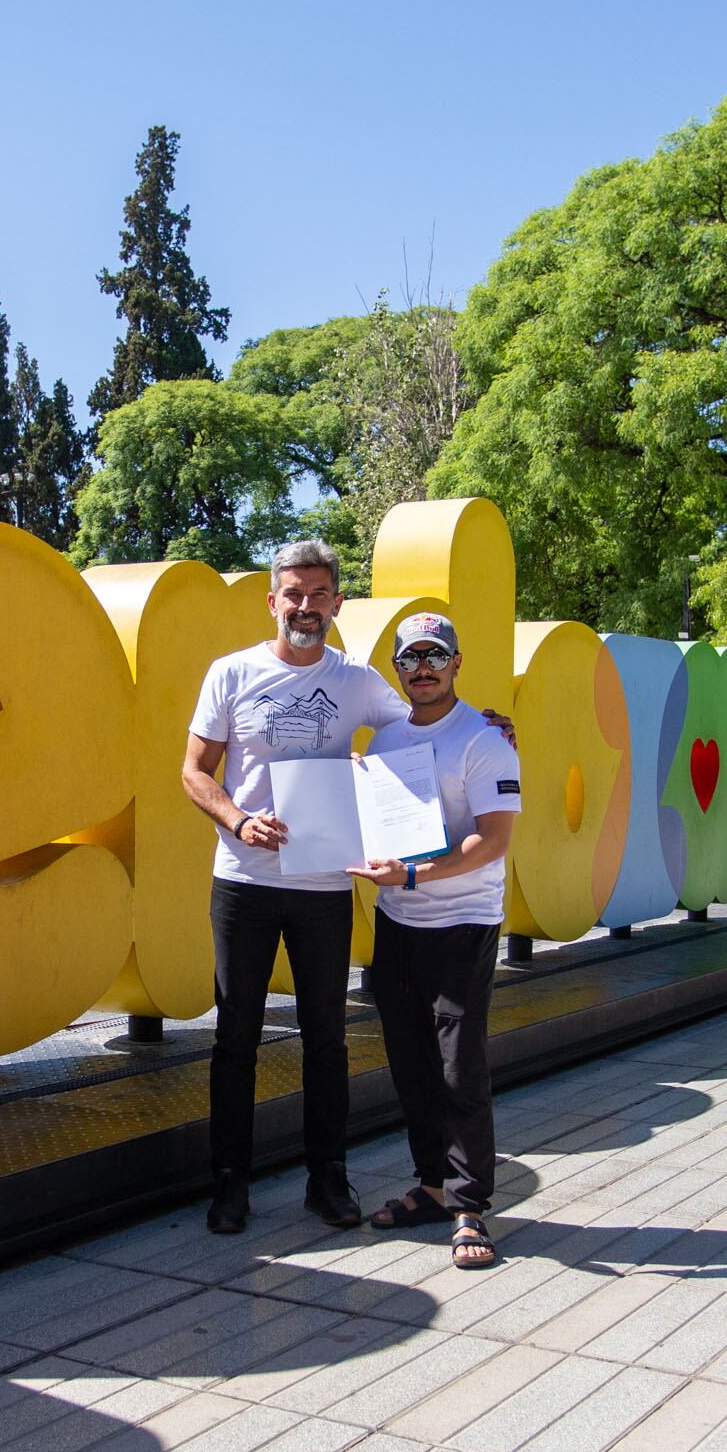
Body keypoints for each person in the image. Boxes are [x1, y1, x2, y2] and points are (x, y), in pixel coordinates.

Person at [181, 543, 510, 1235]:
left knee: (326, 1036)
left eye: (319, 594)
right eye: (293, 594)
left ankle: (328, 1181)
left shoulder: (361, 683)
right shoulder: (230, 674)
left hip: (326, 885)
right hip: (242, 882)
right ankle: (229, 1184)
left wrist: (490, 722)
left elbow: (431, 713)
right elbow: (193, 773)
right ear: (273, 601)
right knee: (235, 1037)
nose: (306, 607)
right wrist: (237, 819)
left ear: (336, 603)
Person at [349, 613, 520, 1271]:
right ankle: (429, 1185)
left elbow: (495, 839)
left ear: (456, 663)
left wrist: (416, 872)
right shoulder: (387, 737)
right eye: (410, 658)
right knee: (411, 1065)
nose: (422, 667)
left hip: (463, 924)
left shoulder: (485, 740)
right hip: (398, 925)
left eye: (435, 655)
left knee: (459, 1070)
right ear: (398, 670)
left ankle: (471, 1205)